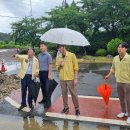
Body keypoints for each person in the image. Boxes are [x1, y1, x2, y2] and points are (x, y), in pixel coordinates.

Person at [105, 42, 130, 124]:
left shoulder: (129, 58)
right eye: (118, 47)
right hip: (119, 81)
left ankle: (129, 115)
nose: (119, 48)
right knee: (121, 98)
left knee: (128, 100)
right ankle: (123, 111)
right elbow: (113, 69)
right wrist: (108, 75)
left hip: (127, 82)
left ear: (126, 49)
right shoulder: (115, 58)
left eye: (122, 47)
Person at [56, 44, 80, 116]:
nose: (59, 49)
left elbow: (76, 68)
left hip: (70, 78)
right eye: (58, 48)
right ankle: (66, 107)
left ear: (64, 47)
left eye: (60, 48)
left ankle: (77, 108)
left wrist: (75, 78)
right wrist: (60, 65)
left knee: (74, 94)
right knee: (64, 94)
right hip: (62, 79)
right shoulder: (59, 57)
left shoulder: (72, 55)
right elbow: (57, 68)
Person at [38, 42, 52, 108]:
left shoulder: (48, 55)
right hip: (41, 73)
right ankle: (44, 99)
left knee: (47, 88)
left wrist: (49, 74)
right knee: (42, 87)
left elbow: (50, 66)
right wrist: (37, 72)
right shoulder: (39, 55)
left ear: (46, 47)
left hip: (46, 73)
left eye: (42, 46)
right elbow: (38, 64)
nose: (41, 47)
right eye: (40, 46)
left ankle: (48, 102)